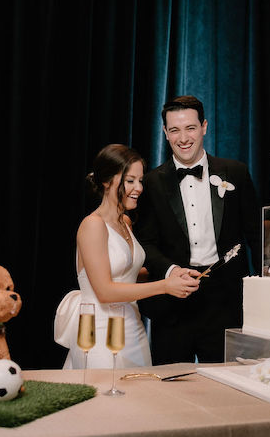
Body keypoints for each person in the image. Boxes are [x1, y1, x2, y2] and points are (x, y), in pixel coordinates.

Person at [134, 95, 260, 364]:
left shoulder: (235, 172)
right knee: (171, 389)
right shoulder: (152, 182)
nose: (183, 138)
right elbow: (145, 241)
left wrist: (267, 293)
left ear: (204, 126)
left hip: (225, 302)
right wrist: (170, 270)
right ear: (165, 133)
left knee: (225, 391)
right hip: (172, 302)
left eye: (190, 128)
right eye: (175, 130)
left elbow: (256, 236)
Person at [54, 144, 200, 369]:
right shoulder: (92, 225)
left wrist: (174, 273)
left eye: (140, 180)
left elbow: (128, 275)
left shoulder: (126, 222)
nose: (139, 188)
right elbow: (105, 291)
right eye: (130, 181)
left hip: (132, 328)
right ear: (106, 181)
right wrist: (165, 286)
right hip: (99, 331)